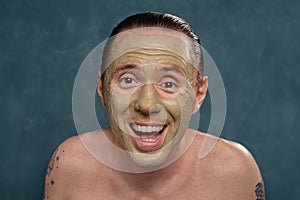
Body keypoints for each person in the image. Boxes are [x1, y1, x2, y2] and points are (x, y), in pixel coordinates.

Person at [44, 12, 265, 199]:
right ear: (103, 91)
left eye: (168, 83)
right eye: (128, 80)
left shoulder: (235, 171)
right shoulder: (70, 166)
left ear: (198, 94)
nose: (147, 104)